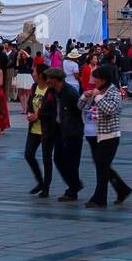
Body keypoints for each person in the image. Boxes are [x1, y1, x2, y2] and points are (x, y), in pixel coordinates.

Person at [81, 64, 131, 208]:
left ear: (103, 80)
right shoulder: (96, 91)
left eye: (96, 78)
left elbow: (111, 109)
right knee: (102, 166)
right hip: (94, 133)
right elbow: (81, 107)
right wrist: (85, 96)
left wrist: (97, 98)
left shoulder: (113, 92)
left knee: (102, 167)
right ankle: (122, 190)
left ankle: (100, 198)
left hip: (110, 135)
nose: (94, 80)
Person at [46, 67, 85, 200]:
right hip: (59, 130)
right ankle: (74, 185)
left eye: (50, 79)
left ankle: (73, 190)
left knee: (72, 162)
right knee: (58, 159)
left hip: (72, 132)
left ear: (57, 80)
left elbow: (81, 111)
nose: (47, 81)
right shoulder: (53, 91)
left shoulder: (70, 93)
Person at [24, 64, 56, 196]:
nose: (33, 73)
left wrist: (38, 115)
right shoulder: (34, 87)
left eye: (34, 71)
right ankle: (40, 181)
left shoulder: (51, 90)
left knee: (46, 158)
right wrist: (30, 114)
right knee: (29, 154)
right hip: (34, 128)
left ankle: (46, 188)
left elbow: (53, 111)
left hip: (47, 129)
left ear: (41, 74)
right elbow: (30, 103)